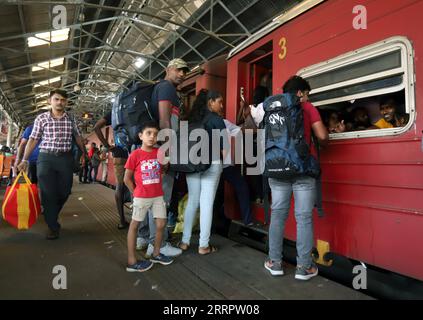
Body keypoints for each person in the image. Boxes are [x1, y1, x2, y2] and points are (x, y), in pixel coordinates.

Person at [251, 76, 329, 279]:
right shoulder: (307, 107)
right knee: (303, 217)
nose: (306, 97)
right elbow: (322, 136)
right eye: (306, 94)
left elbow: (253, 127)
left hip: (277, 168)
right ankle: (304, 267)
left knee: (277, 214)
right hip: (302, 169)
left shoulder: (269, 107)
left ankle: (274, 262)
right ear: (301, 93)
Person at [17, 89, 87, 240]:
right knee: (48, 193)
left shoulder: (71, 118)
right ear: (50, 101)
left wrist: (85, 154)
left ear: (66, 102)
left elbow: (77, 136)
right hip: (46, 158)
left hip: (65, 158)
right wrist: (24, 159)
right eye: (56, 99)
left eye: (62, 100)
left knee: (65, 191)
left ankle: (51, 213)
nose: (59, 102)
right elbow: (33, 139)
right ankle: (52, 226)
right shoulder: (41, 118)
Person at [139, 58, 189, 258]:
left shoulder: (159, 88)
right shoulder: (167, 88)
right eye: (179, 70)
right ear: (168, 69)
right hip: (162, 149)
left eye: (185, 71)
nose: (182, 74)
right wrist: (166, 152)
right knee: (160, 199)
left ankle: (144, 238)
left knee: (148, 197)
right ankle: (158, 244)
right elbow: (164, 119)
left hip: (154, 149)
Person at [178, 89, 228, 255]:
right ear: (210, 102)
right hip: (211, 164)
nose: (221, 105)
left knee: (193, 201)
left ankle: (184, 242)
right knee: (206, 204)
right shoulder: (217, 120)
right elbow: (225, 150)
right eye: (219, 102)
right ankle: (203, 245)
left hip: (192, 165)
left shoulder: (190, 120)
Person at [124, 121, 173, 272]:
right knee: (134, 225)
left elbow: (162, 172)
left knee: (160, 224)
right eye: (148, 133)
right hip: (141, 197)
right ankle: (132, 261)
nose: (152, 137)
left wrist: (165, 165)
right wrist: (136, 193)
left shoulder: (159, 152)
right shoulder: (135, 154)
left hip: (158, 196)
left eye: (155, 134)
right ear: (141, 136)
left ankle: (156, 253)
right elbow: (126, 179)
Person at [94, 112, 130, 229]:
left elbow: (96, 127)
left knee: (119, 186)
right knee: (138, 185)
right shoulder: (140, 104)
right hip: (137, 150)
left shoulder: (115, 111)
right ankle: (140, 221)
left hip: (119, 154)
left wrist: (108, 146)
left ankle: (122, 221)